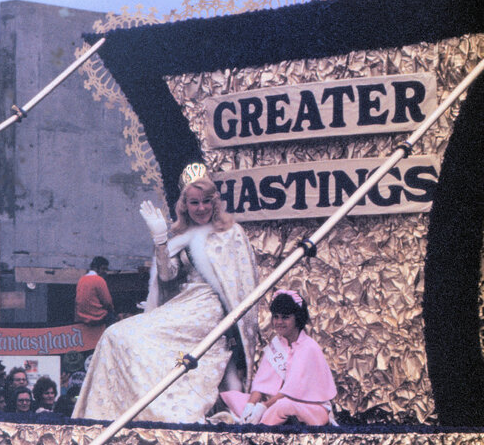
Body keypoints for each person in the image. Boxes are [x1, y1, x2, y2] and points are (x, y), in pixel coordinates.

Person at [73, 163, 259, 423]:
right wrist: (161, 240)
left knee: (125, 336)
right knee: (115, 334)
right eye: (194, 203)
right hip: (182, 303)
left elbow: (242, 287)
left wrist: (234, 332)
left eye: (206, 201)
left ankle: (161, 410)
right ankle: (112, 415)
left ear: (215, 202)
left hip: (209, 309)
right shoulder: (180, 235)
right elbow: (167, 276)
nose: (201, 208)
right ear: (185, 205)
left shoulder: (231, 234)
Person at [220, 290, 338, 426]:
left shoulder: (308, 347)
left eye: (285, 317)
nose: (279, 322)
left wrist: (263, 407)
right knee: (233, 397)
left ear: (297, 318)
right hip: (276, 402)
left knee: (283, 406)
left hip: (312, 409)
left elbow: (292, 391)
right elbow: (261, 384)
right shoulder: (277, 343)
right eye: (276, 317)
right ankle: (248, 420)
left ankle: (255, 429)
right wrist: (251, 405)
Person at [75, 256, 115, 325]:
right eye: (103, 269)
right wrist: (113, 310)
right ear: (95, 268)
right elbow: (108, 302)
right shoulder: (99, 280)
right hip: (96, 317)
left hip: (81, 317)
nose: (105, 272)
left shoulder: (81, 279)